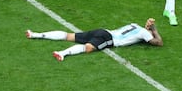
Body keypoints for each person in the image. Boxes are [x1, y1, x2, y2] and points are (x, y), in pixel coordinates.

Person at [25, 18, 163, 61]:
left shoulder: (135, 25)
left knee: (69, 36)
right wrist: (154, 30)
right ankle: (63, 53)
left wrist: (149, 27)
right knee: (89, 48)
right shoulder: (145, 33)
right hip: (108, 38)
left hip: (102, 31)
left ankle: (35, 34)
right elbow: (159, 43)